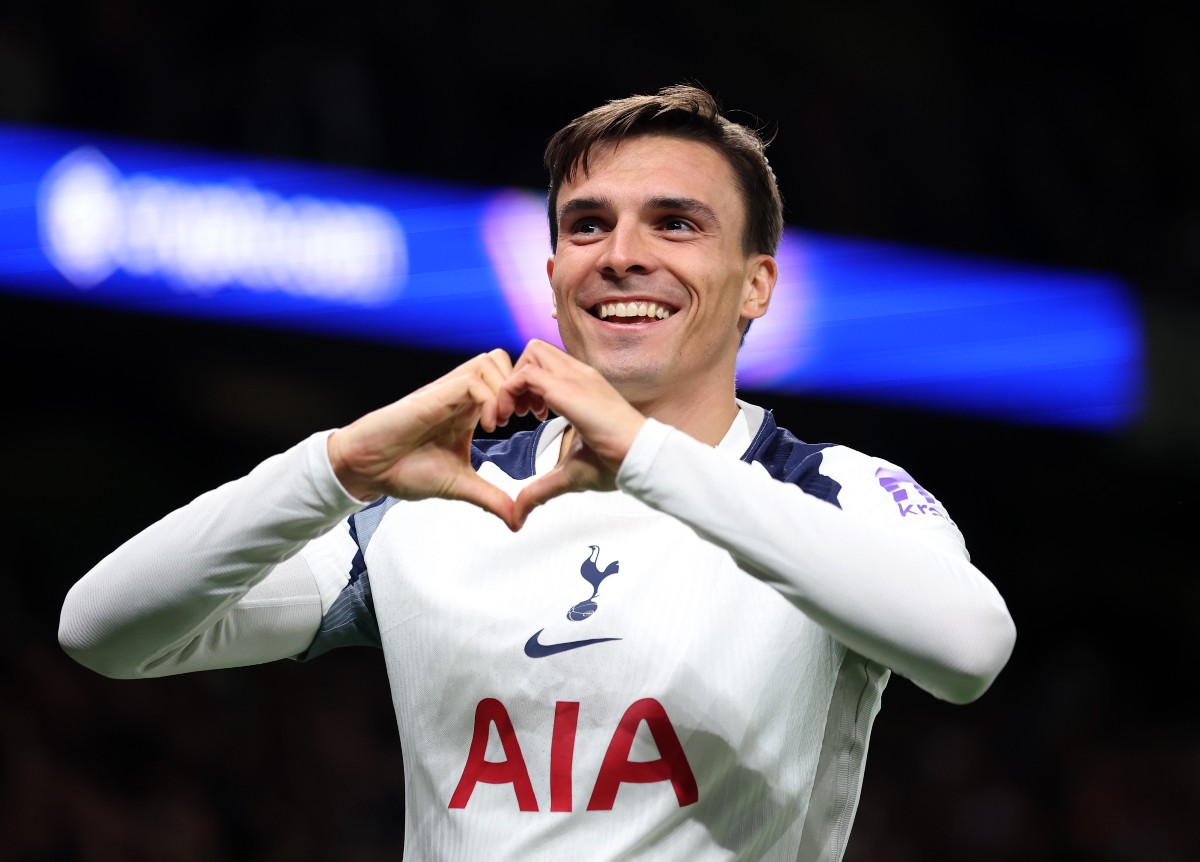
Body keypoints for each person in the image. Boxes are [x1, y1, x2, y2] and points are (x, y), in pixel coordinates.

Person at [59, 84, 1016, 860]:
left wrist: (648, 459)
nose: (622, 257)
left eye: (675, 224)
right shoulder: (440, 498)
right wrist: (340, 463)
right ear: (553, 273)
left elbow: (969, 650)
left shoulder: (835, 491)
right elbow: (103, 630)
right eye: (588, 226)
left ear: (757, 283)